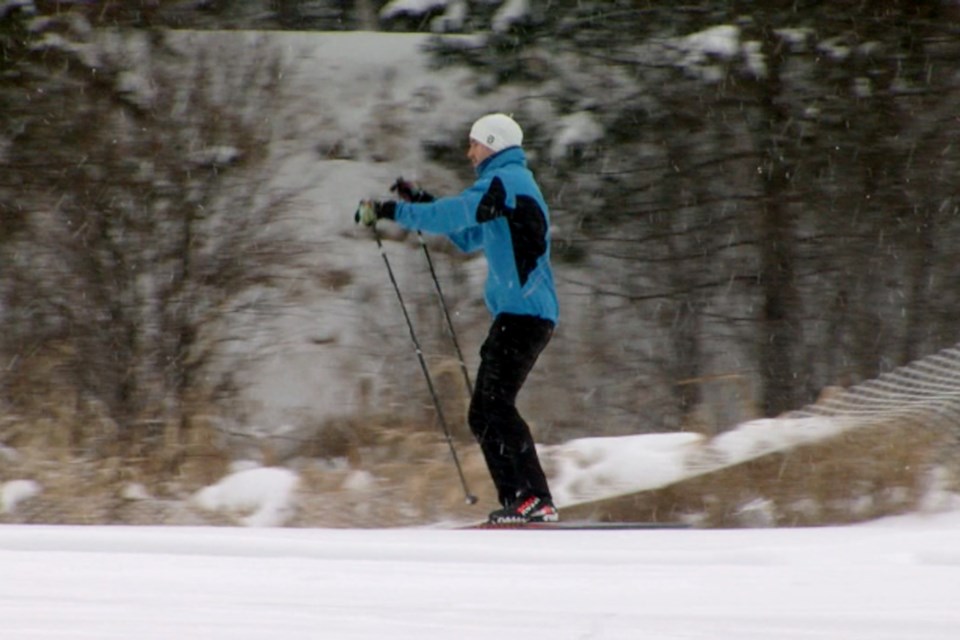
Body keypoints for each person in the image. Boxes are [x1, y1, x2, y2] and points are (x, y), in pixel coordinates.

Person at [355, 113, 559, 524]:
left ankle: (535, 499)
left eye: (474, 144)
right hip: (517, 315)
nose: (469, 153)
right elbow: (467, 235)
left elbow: (456, 216)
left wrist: (389, 209)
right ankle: (520, 502)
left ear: (494, 143)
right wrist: (421, 201)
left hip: (527, 315)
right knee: (482, 413)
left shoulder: (509, 182)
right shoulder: (504, 186)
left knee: (496, 405)